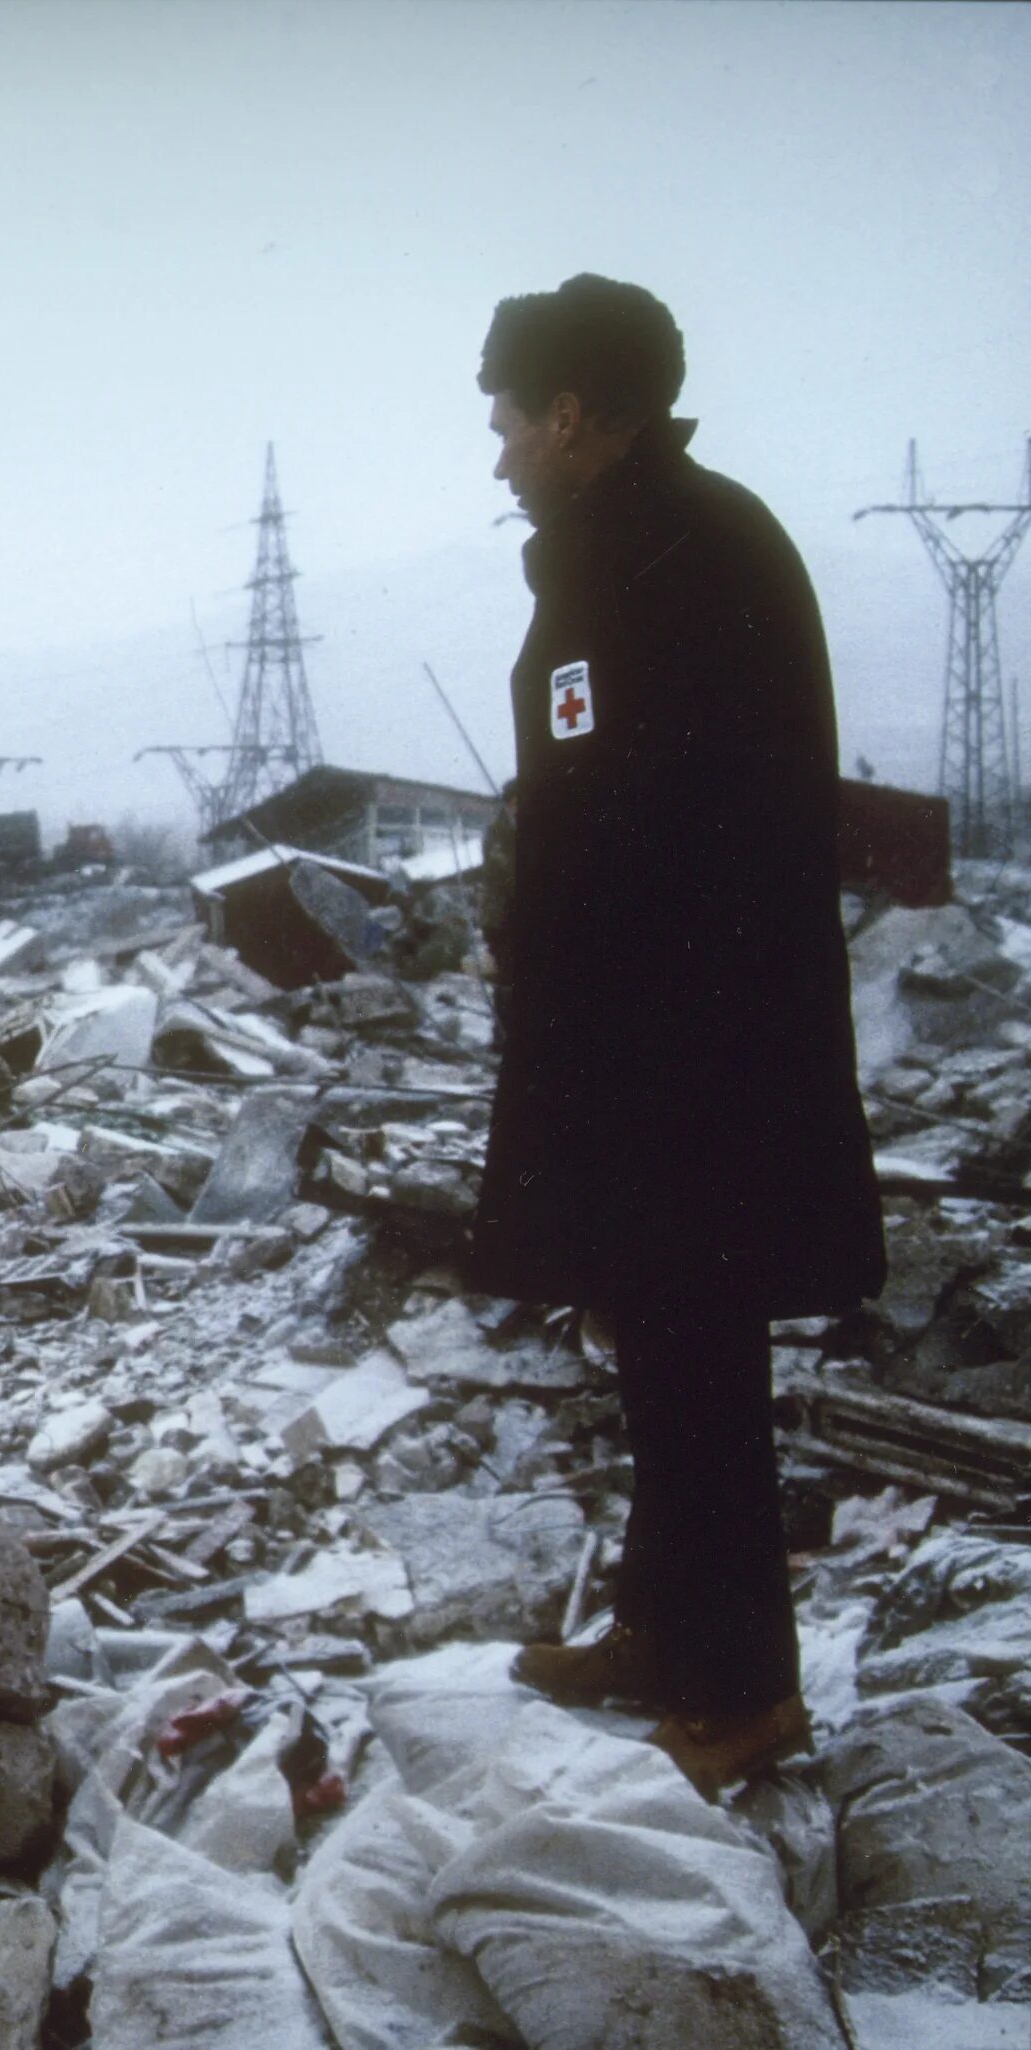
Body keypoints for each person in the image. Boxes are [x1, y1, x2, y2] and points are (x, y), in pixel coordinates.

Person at [465, 275, 886, 1794]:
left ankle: (742, 1689)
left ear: (575, 412)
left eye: (506, 416)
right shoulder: (645, 542)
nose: (498, 449)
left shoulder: (673, 555)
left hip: (693, 1051)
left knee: (697, 1350)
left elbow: (660, 816)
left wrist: (547, 892)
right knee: (659, 1336)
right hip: (657, 1033)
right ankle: (662, 1626)